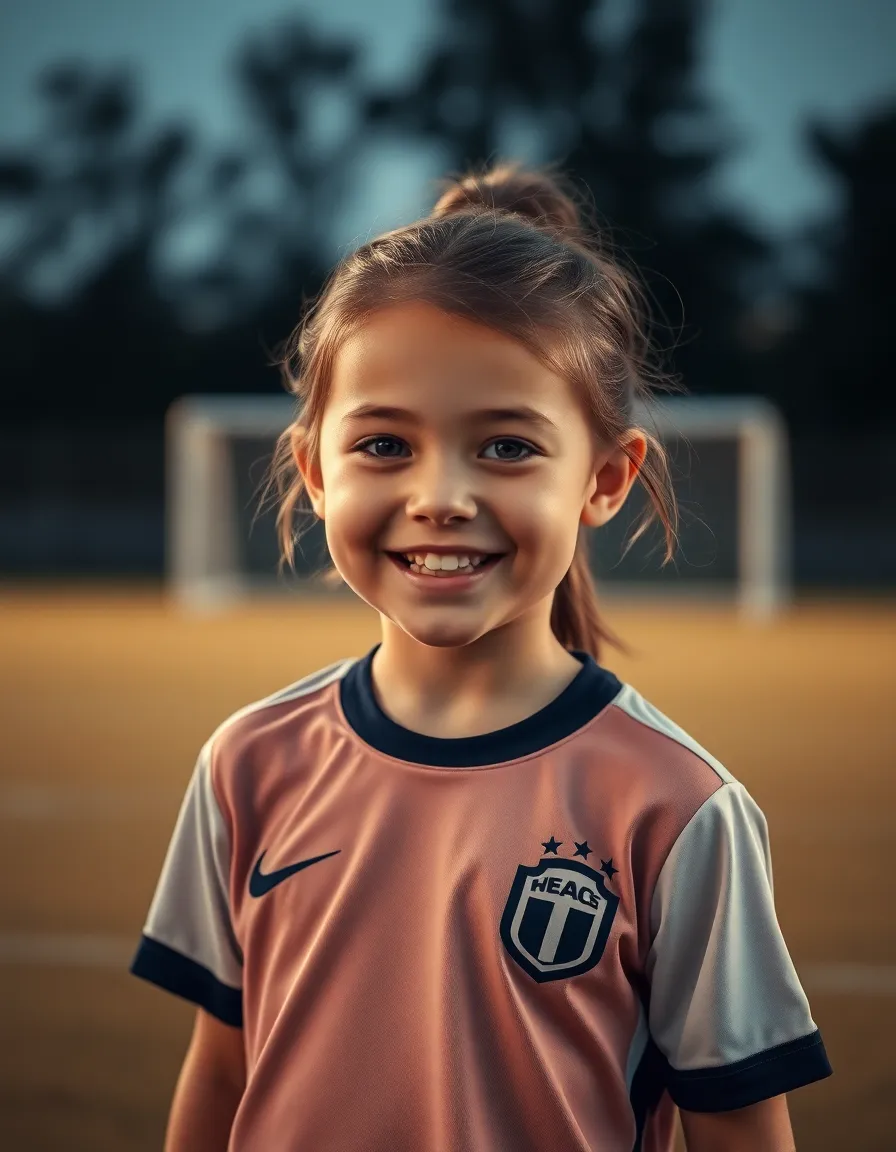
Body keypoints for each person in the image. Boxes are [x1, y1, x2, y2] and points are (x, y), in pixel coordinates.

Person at [131, 161, 831, 1151]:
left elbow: (741, 1131)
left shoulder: (675, 809)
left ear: (604, 478)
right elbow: (222, 1070)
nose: (439, 496)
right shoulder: (248, 762)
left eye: (504, 447)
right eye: (382, 446)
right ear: (311, 471)